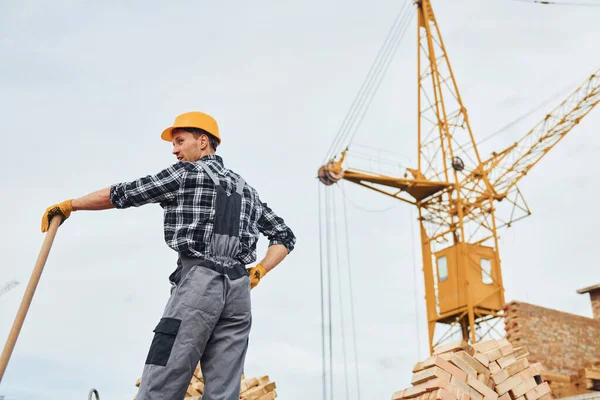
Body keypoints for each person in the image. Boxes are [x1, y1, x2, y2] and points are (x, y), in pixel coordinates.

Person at [40, 111, 296, 400]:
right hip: (239, 292)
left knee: (164, 372)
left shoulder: (186, 174)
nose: (174, 150)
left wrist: (70, 205)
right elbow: (284, 236)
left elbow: (123, 194)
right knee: (225, 388)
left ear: (202, 142)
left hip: (200, 284)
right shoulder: (245, 189)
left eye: (179, 141)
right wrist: (259, 270)